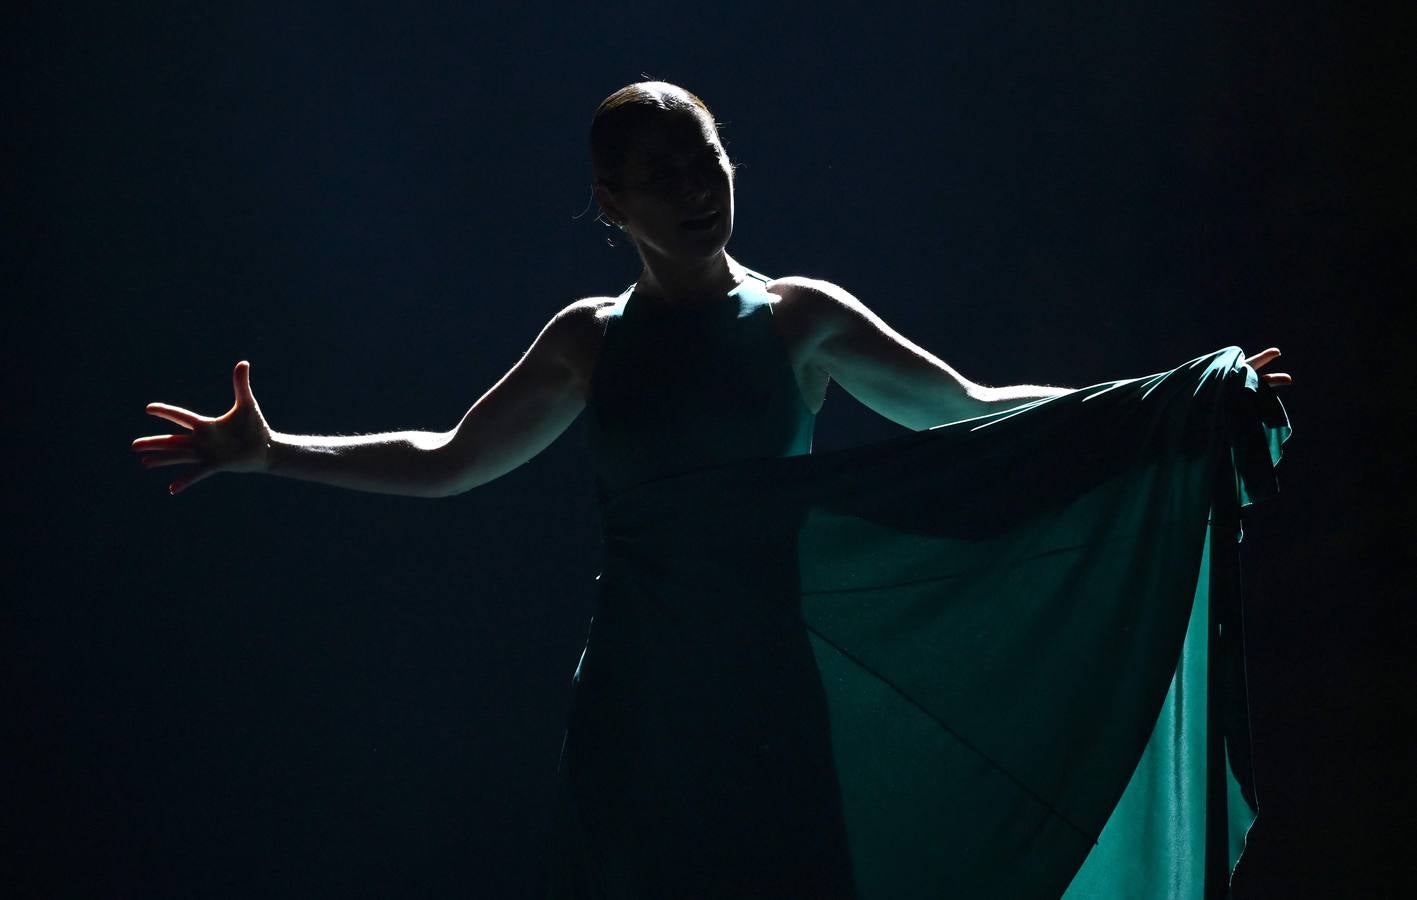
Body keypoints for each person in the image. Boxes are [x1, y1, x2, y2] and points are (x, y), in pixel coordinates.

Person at [134, 82, 1291, 897]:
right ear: (610, 204)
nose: (695, 188)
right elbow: (448, 460)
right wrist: (271, 450)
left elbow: (972, 410)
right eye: (662, 176)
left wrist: (1177, 403)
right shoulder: (587, 340)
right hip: (640, 702)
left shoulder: (800, 318)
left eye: (707, 161)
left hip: (769, 696)